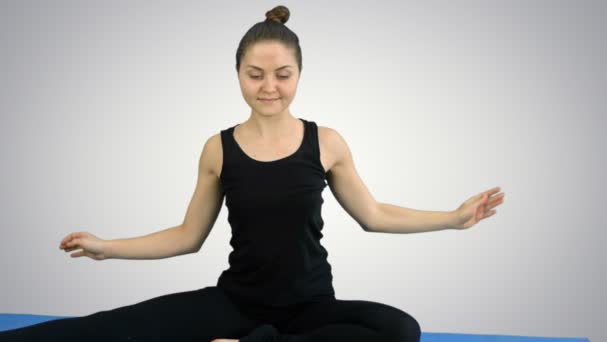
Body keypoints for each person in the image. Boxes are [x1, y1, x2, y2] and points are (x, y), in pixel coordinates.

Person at [0, 5, 505, 342]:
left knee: (401, 330)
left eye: (282, 75)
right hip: (237, 302)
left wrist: (452, 217)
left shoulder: (325, 142)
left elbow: (373, 215)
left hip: (312, 309)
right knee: (107, 330)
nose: (269, 87)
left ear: (298, 75)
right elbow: (187, 236)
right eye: (255, 74)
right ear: (238, 74)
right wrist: (108, 247)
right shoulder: (218, 149)